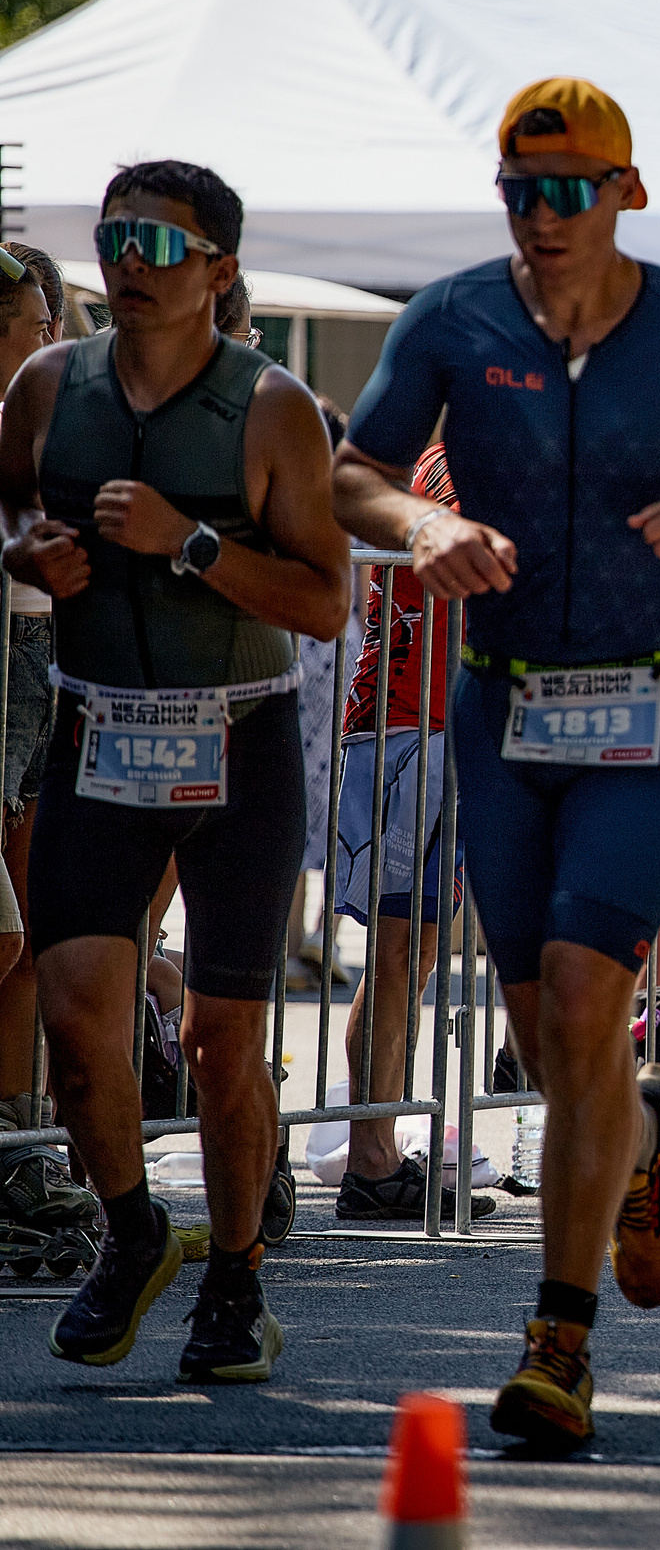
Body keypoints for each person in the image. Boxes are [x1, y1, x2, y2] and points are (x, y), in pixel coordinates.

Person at [334, 80, 660, 1445]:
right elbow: (351, 470)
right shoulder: (455, 318)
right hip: (500, 711)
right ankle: (642, 1130)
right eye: (520, 191)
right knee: (550, 1043)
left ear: (627, 191)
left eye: (570, 190)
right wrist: (412, 522)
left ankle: (558, 1343)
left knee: (578, 997)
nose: (543, 217)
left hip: (651, 710)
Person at [3, 160, 350, 1381]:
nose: (130, 261)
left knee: (219, 1041)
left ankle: (240, 1279)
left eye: (158, 240)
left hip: (237, 743)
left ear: (221, 268)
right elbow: (9, 509)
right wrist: (33, 551)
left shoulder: (273, 410)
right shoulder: (49, 387)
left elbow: (322, 600)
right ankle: (135, 1231)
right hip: (98, 734)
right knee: (80, 1026)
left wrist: (189, 541)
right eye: (113, 237)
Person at [330, 440, 492, 1222]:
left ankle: (379, 1150)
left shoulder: (453, 456)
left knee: (413, 951)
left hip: (425, 732)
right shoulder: (465, 463)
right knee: (397, 951)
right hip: (406, 734)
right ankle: (371, 1156)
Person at [0, 242, 92, 1274]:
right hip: (15, 658)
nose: (50, 342)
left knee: (26, 933)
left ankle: (20, 1140)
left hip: (46, 659)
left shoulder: (51, 419)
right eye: (33, 326)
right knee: (7, 931)